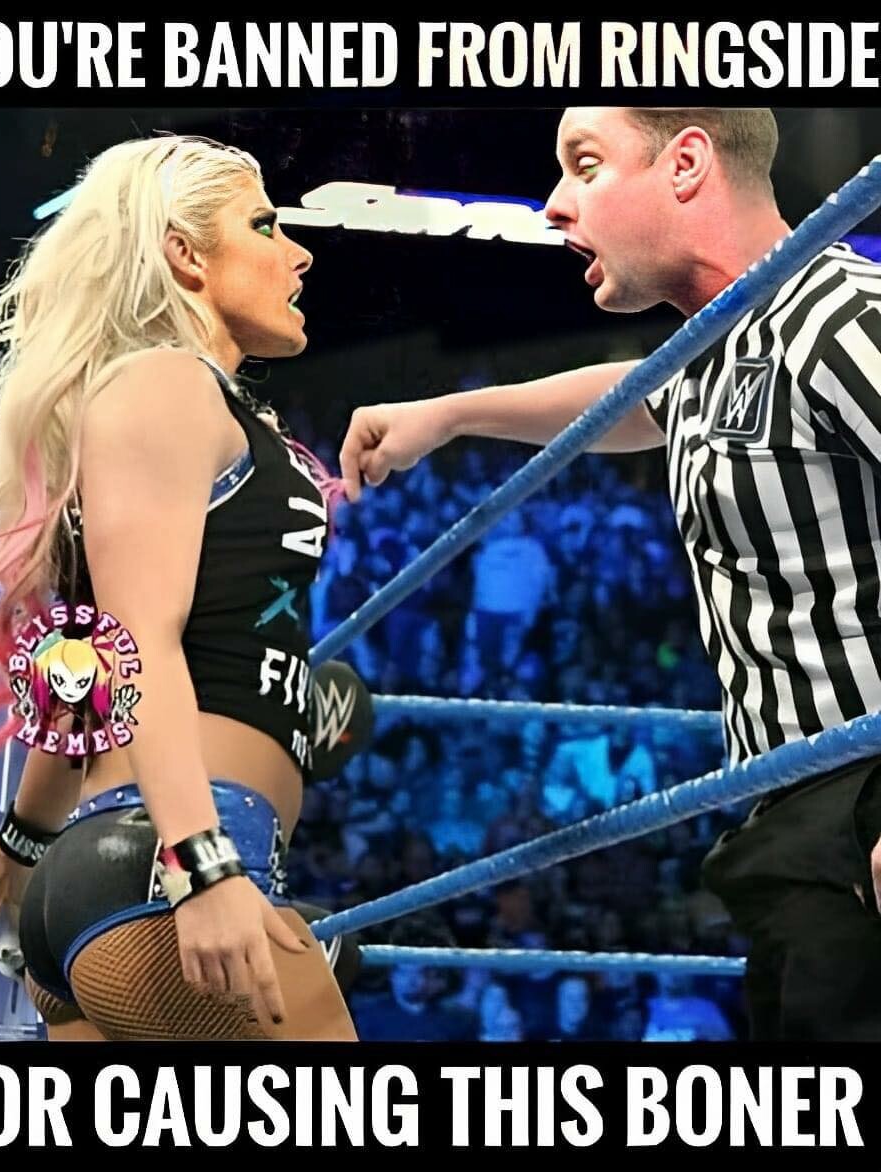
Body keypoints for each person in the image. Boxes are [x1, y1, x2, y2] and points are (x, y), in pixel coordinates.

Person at [338, 107, 881, 1041]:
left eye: (585, 166)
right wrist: (451, 413)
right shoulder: (718, 346)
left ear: (687, 163)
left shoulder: (840, 312)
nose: (554, 204)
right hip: (797, 817)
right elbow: (631, 402)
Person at [0, 135, 359, 1041]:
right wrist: (203, 867)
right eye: (264, 225)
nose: (298, 253)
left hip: (109, 870)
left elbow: (87, 655)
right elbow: (137, 638)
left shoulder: (161, 402)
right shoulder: (163, 383)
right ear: (185, 254)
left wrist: (26, 835)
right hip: (171, 864)